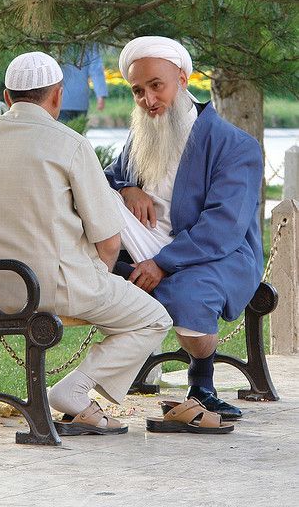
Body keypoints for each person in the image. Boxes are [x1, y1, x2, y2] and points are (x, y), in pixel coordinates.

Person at [0, 51, 172, 436]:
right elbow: (108, 240)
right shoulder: (71, 144)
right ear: (57, 96)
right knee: (154, 318)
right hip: (49, 287)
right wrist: (99, 279)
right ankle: (74, 391)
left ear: (7, 98)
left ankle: (78, 398)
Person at [104, 36, 264, 420]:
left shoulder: (234, 145)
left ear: (182, 78)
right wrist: (127, 189)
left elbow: (223, 225)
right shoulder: (139, 135)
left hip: (215, 250)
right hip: (146, 240)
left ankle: (202, 382)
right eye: (138, 91)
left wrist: (162, 264)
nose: (148, 100)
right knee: (88, 196)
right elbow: (105, 179)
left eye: (156, 86)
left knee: (190, 292)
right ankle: (122, 271)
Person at [59, 43, 107, 122]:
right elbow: (96, 69)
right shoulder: (89, 41)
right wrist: (100, 95)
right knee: (78, 132)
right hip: (80, 100)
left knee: (60, 133)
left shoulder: (55, 39)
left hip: (60, 100)